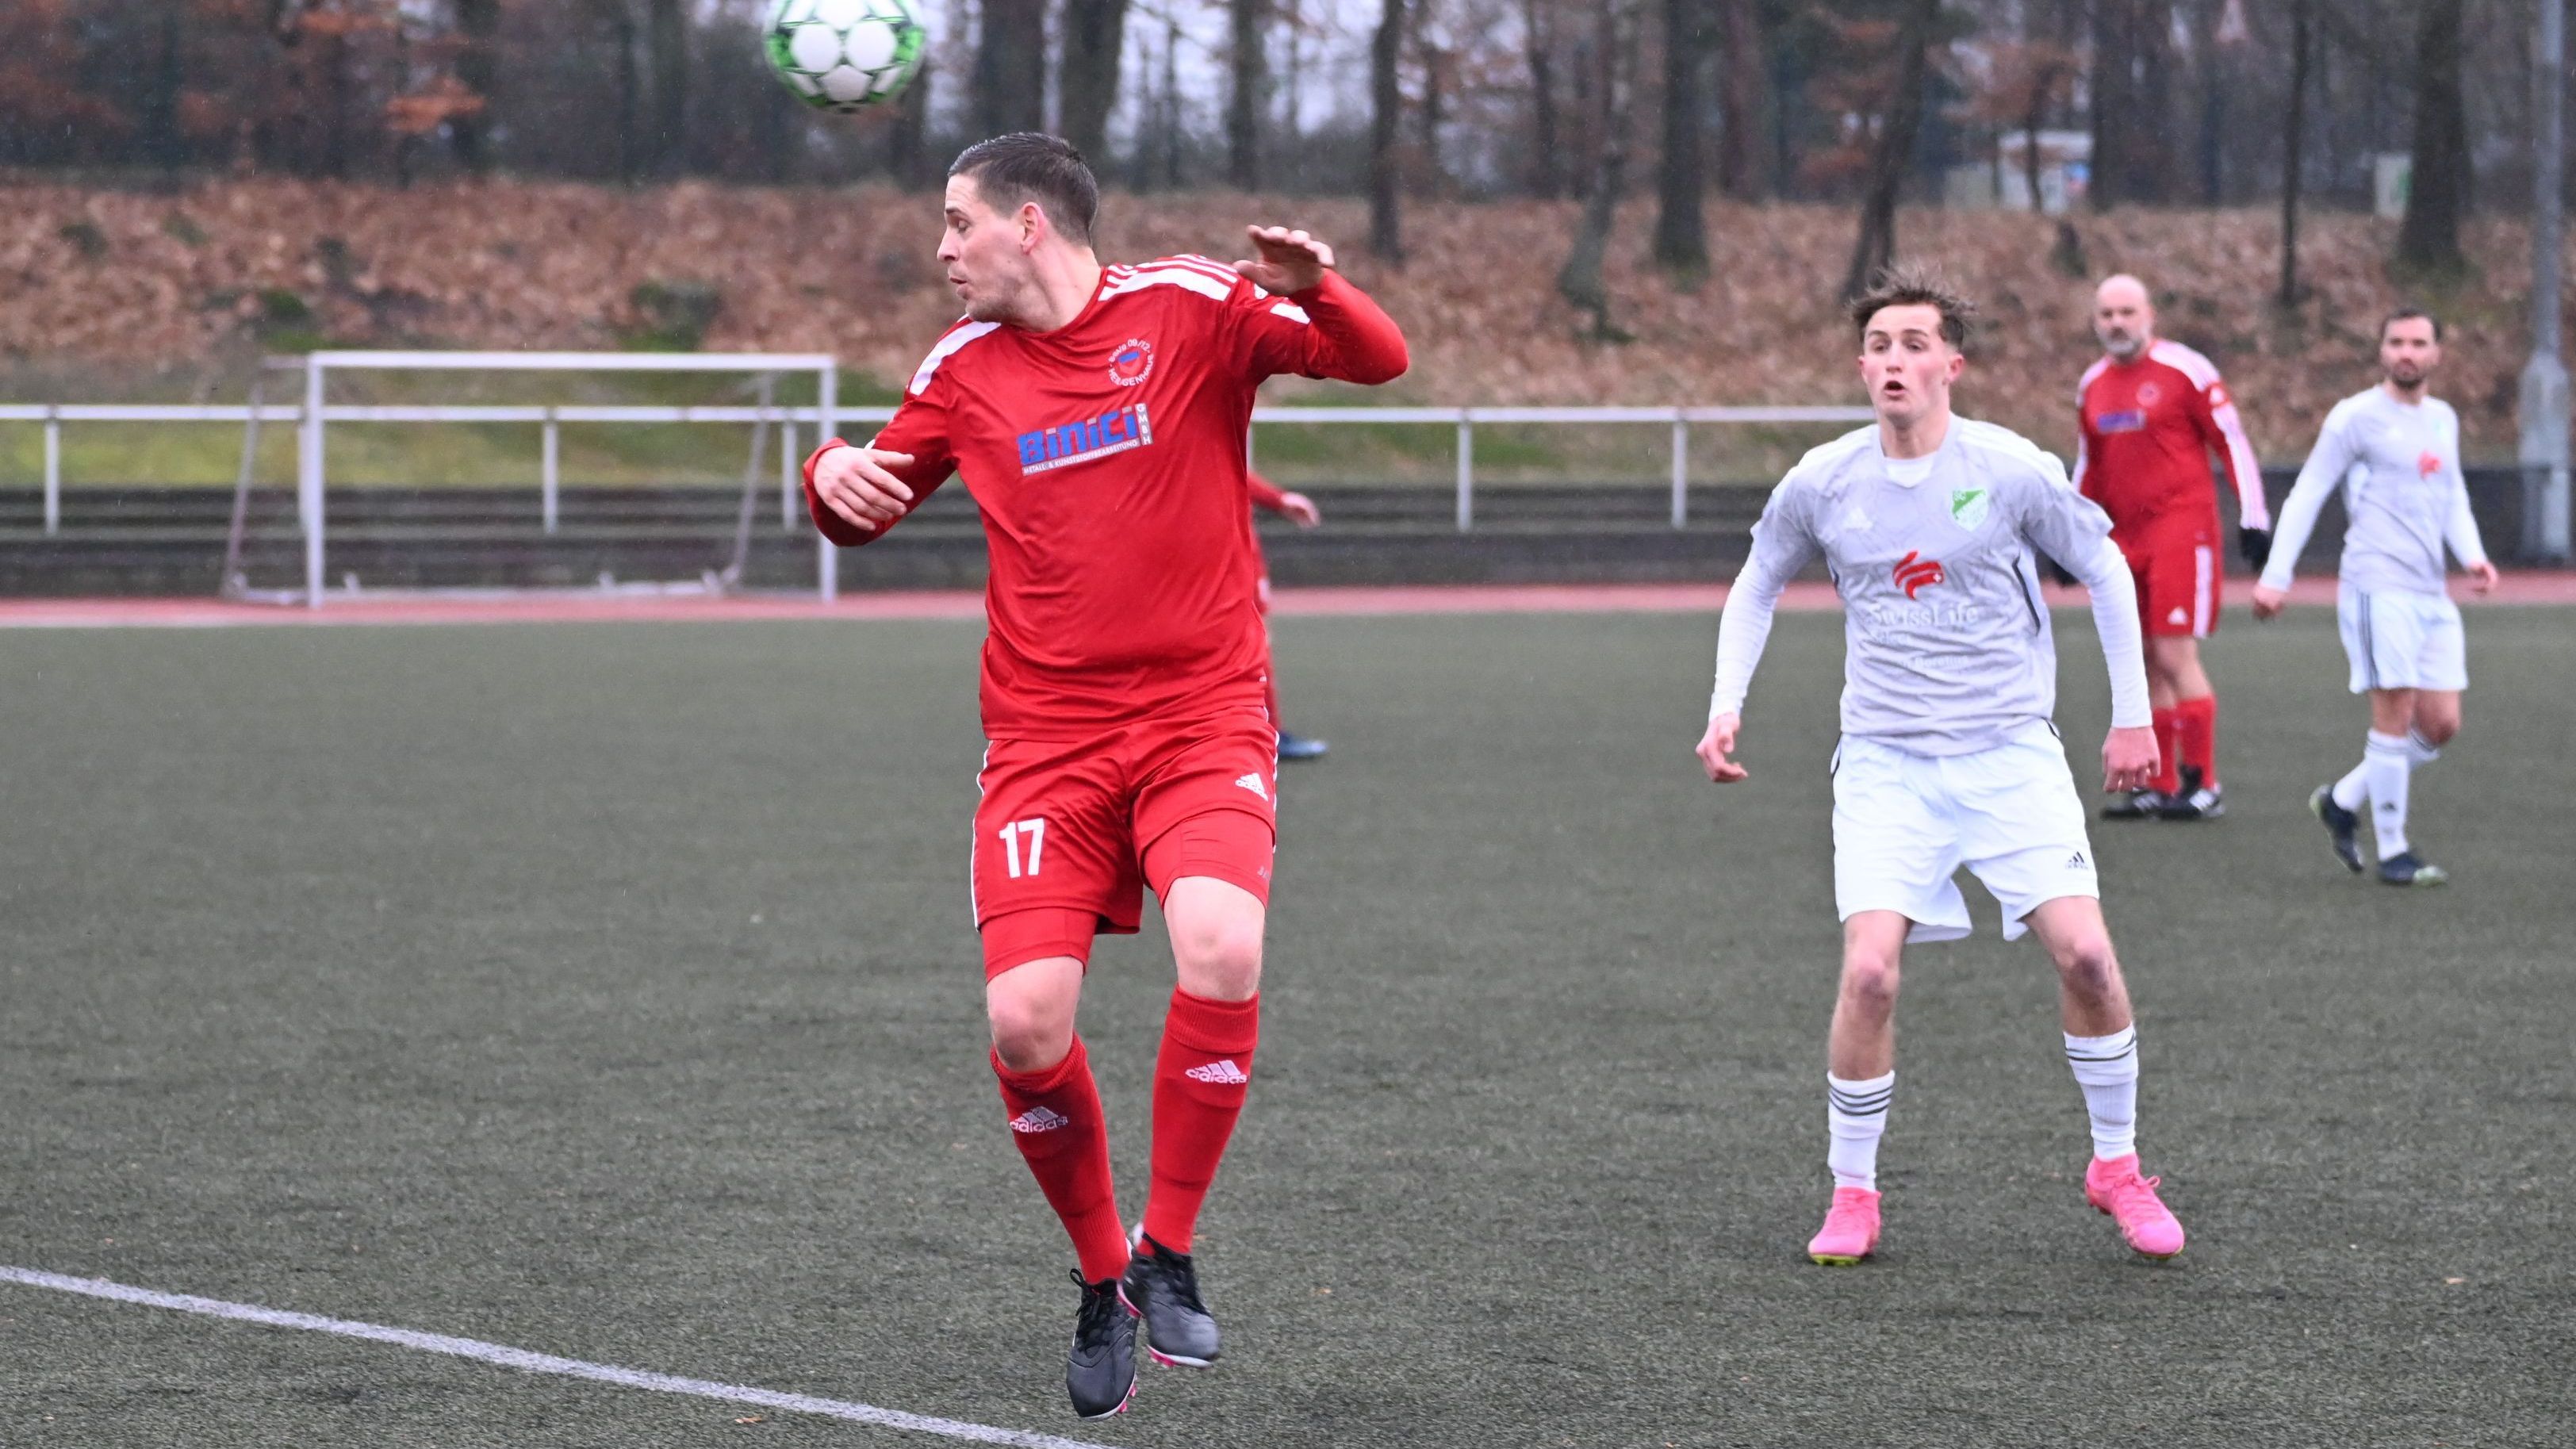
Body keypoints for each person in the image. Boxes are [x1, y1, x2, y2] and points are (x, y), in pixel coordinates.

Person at [802, 133, 1408, 1419]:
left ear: (1029, 222)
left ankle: (1167, 1243)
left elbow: (1377, 360)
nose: (941, 248)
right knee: (1024, 1025)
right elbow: (865, 503)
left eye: (956, 222)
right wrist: (825, 476)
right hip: (1043, 745)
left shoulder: (1189, 307)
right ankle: (1099, 1281)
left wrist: (1315, 291)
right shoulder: (960, 371)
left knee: (1221, 944)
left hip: (1199, 719)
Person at [1694, 265, 2185, 1267]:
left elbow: (2100, 565)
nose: (1894, 361)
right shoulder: (1823, 481)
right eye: (1879, 345)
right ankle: (1852, 1193)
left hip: (2009, 754)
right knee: (1869, 974)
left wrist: (2133, 718)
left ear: (1950, 366)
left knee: (2088, 959)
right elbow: (1755, 581)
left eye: (1915, 344)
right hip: (1885, 764)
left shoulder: (2007, 469)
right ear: (1860, 365)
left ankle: (2115, 1167)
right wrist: (1723, 704)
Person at [2252, 309, 2497, 887]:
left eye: (2418, 343)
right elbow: (2309, 490)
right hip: (2375, 583)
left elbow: (2452, 491)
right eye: (2396, 342)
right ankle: (2393, 850)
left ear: (2438, 353)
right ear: (2381, 350)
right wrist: (2276, 573)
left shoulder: (2442, 418)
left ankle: (2342, 800)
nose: (2406, 352)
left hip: (2429, 588)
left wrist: (2474, 554)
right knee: (2394, 709)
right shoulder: (2355, 418)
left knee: (2440, 722)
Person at [2074, 274, 2272, 821]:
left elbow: (2231, 440)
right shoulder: (2093, 384)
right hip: (2123, 538)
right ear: (2096, 321)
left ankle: (2203, 783)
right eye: (2107, 314)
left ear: (2149, 315)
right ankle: (2158, 783)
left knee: (2173, 653)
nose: (2117, 322)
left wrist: (2255, 516)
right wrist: (2067, 531)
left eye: (2127, 312)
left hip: (2181, 530)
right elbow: (2089, 465)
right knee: (2143, 659)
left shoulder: (2186, 370)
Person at [1246, 470, 1331, 760]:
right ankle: (1267, 733)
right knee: (1255, 642)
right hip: (1228, 551)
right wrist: (1277, 499)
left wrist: (1278, 499)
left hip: (1228, 547)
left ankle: (1262, 731)